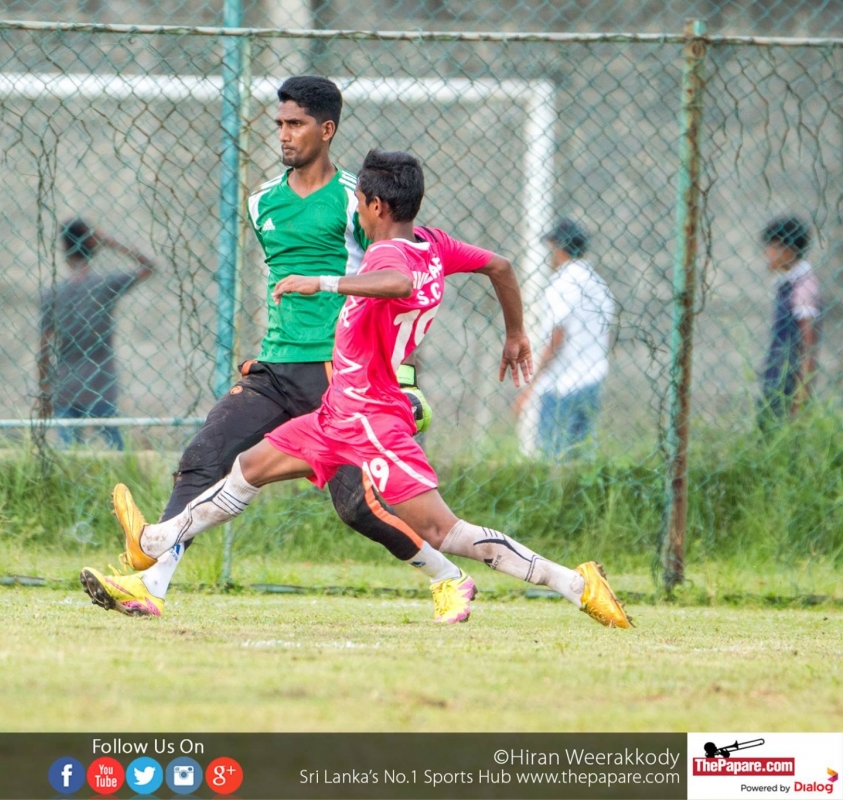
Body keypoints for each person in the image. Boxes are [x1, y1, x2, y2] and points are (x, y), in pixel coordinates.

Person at [84, 150, 632, 628]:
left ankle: (574, 583)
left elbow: (396, 281)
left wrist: (322, 282)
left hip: (371, 419)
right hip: (336, 414)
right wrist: (515, 333)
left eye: (361, 207)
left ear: (374, 205)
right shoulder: (434, 243)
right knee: (248, 467)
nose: (359, 217)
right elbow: (501, 266)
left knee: (443, 530)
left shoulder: (388, 255)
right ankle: (154, 549)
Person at [38, 218, 155, 450]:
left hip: (65, 384)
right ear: (93, 246)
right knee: (115, 448)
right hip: (100, 383)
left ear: (64, 248)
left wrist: (45, 390)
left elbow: (44, 346)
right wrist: (111, 242)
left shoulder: (53, 293)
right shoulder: (105, 285)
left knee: (67, 452)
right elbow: (149, 267)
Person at [513, 218, 615, 461]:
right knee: (581, 457)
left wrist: (531, 387)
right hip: (592, 377)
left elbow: (557, 336)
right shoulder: (598, 284)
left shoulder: (563, 282)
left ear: (559, 248)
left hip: (561, 384)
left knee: (553, 457)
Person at [757, 216, 820, 426]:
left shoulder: (803, 286)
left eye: (771, 248)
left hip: (789, 380)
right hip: (777, 374)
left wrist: (801, 396)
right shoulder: (786, 283)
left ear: (788, 250)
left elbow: (808, 345)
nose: (766, 254)